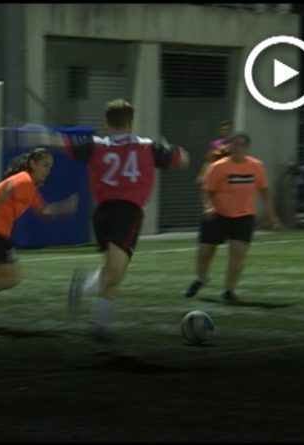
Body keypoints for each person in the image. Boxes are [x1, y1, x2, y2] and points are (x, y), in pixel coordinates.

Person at [55, 99, 190, 343]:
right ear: (130, 122)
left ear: (106, 123)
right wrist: (172, 147)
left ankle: (97, 315)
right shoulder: (147, 146)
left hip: (102, 212)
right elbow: (182, 160)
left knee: (114, 266)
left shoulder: (95, 145)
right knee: (116, 271)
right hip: (128, 212)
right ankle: (94, 311)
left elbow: (64, 145)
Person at [0, 147, 78, 325]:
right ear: (33, 164)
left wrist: (63, 207)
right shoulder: (24, 180)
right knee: (10, 278)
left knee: (0, 279)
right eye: (45, 165)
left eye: (50, 167)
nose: (48, 171)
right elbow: (9, 188)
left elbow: (43, 211)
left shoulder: (29, 187)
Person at [183, 132, 281, 303]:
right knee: (205, 252)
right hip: (217, 215)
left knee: (238, 254)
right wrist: (208, 207)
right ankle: (201, 278)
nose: (237, 148)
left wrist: (272, 216)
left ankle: (229, 290)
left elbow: (264, 191)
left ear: (247, 147)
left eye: (241, 145)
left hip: (244, 217)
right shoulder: (218, 167)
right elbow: (206, 191)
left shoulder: (256, 166)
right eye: (234, 145)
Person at [196, 119, 233, 185]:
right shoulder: (215, 144)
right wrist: (201, 175)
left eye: (227, 129)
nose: (225, 132)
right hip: (217, 173)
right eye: (223, 129)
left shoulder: (235, 144)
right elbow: (208, 160)